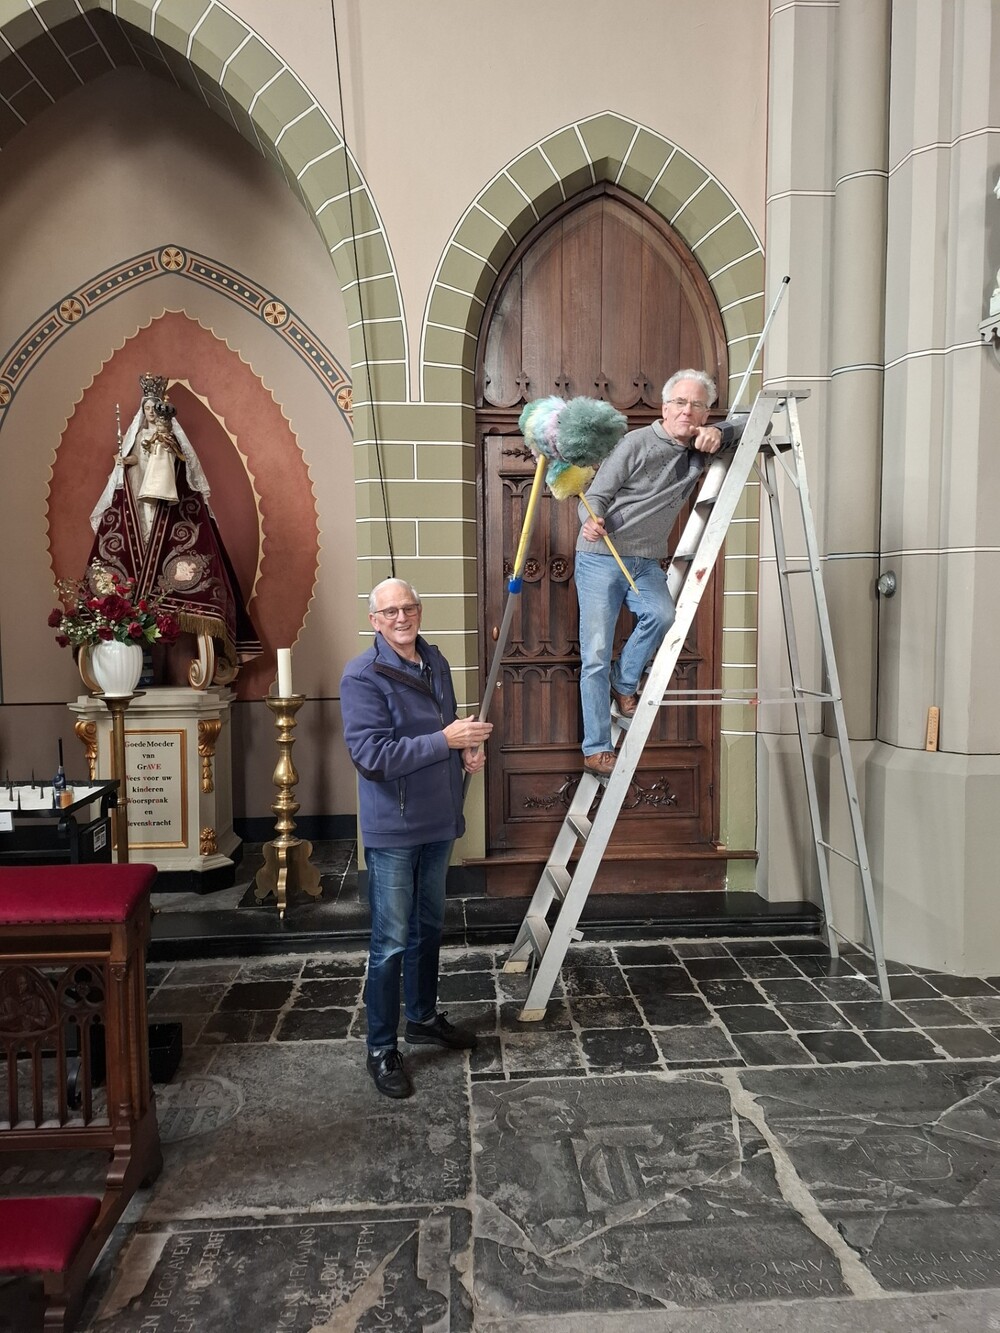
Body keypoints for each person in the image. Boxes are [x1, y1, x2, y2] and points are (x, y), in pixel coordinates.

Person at [340, 578, 493, 1099]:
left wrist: (465, 749)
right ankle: (381, 1048)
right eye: (390, 611)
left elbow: (444, 727)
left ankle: (423, 1017)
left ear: (419, 612)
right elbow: (372, 758)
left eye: (408, 608)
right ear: (374, 620)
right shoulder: (362, 676)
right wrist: (444, 741)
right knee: (389, 942)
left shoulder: (435, 661)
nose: (401, 617)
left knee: (428, 928)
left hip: (438, 819)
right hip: (394, 827)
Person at [575, 369, 747, 776]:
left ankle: (624, 682)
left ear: (705, 412)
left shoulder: (702, 446)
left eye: (697, 405)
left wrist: (721, 431)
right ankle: (596, 747)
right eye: (680, 403)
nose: (687, 411)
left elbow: (756, 426)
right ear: (665, 407)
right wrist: (590, 520)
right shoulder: (635, 443)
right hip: (601, 555)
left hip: (646, 561)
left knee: (662, 615)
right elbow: (593, 498)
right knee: (594, 655)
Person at [87, 373, 260, 677]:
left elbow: (183, 465)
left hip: (169, 508)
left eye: (154, 408)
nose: (151, 414)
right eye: (147, 409)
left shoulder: (169, 436)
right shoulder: (136, 435)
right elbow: (130, 464)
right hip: (138, 503)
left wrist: (166, 439)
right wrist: (124, 462)